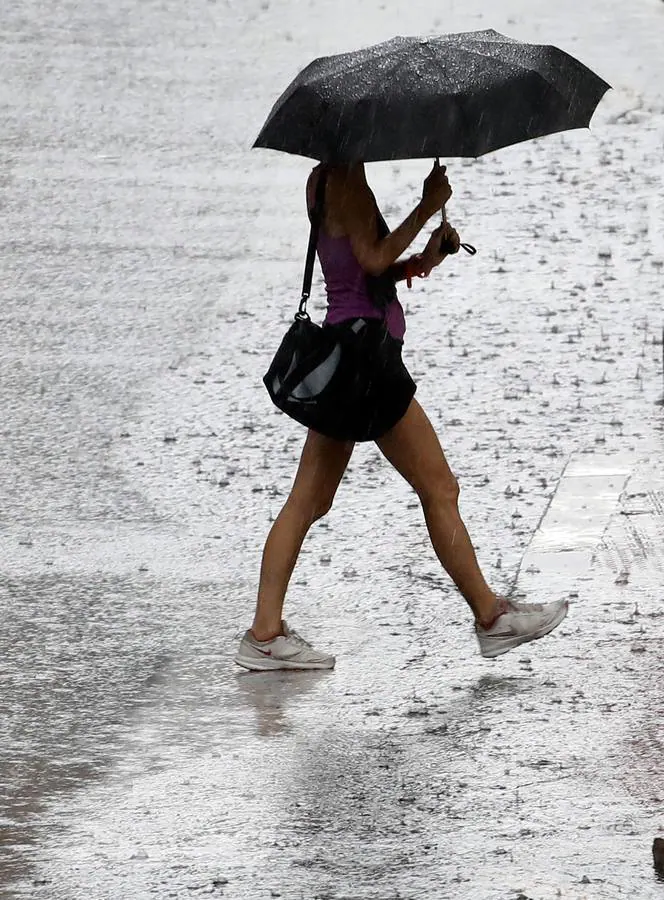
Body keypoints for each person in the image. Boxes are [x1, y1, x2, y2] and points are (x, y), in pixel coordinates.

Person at [235, 161, 567, 671]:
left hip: (356, 358)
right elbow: (369, 260)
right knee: (438, 489)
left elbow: (365, 268)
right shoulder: (343, 180)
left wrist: (422, 260)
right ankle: (491, 617)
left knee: (309, 502)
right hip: (366, 364)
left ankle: (264, 633)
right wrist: (425, 207)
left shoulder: (334, 176)